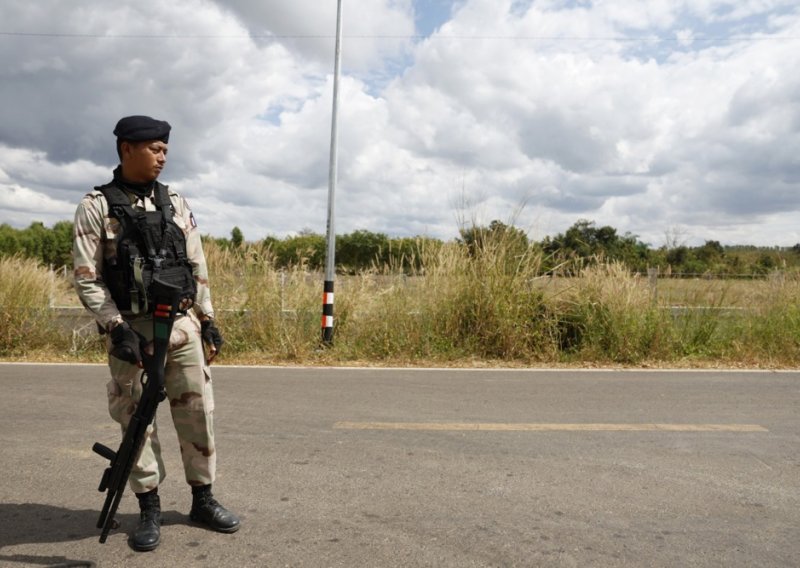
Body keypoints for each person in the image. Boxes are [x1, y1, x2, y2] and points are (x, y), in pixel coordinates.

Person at [73, 115, 240, 551]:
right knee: (136, 420)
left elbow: (196, 265)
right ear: (127, 149)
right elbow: (87, 278)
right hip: (132, 331)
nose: (162, 156)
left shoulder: (176, 202)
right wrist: (116, 327)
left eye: (165, 149)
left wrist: (207, 320)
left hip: (181, 326)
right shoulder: (96, 206)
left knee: (196, 412)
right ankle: (149, 507)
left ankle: (202, 499)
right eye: (154, 148)